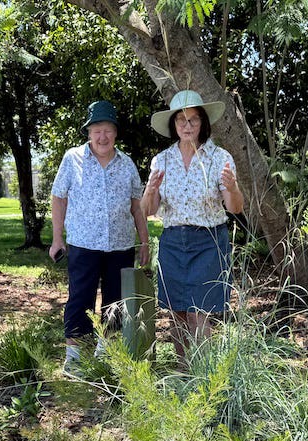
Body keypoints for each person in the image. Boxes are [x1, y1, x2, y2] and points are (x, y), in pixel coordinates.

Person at [141, 89, 244, 360]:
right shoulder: (161, 160)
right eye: (181, 120)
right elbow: (148, 210)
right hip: (173, 241)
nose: (187, 126)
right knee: (176, 311)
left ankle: (202, 375)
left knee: (199, 311)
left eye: (193, 120)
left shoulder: (220, 158)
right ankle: (182, 370)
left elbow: (236, 208)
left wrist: (232, 187)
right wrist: (150, 190)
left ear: (203, 123)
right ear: (173, 124)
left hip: (208, 241)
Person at [50, 100, 150, 373]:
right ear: (89, 133)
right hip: (83, 243)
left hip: (120, 244)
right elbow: (58, 198)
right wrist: (57, 238)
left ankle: (106, 353)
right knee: (80, 298)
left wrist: (144, 241)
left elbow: (136, 206)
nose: (102, 136)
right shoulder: (73, 159)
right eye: (97, 130)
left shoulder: (127, 164)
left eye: (107, 130)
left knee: (116, 300)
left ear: (115, 133)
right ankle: (75, 359)